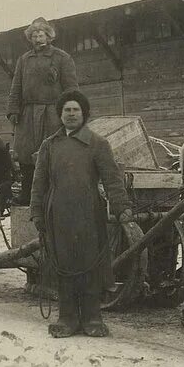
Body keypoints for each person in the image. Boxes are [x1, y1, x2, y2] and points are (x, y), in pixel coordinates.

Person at [30, 89, 132, 338]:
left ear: (84, 114)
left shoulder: (98, 144)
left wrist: (121, 208)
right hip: (58, 215)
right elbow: (39, 183)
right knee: (63, 265)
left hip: (89, 215)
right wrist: (37, 213)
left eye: (76, 110)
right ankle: (67, 319)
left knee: (89, 265)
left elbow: (112, 180)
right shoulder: (49, 146)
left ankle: (92, 318)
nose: (71, 114)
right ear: (60, 114)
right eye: (67, 110)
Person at [7, 17, 78, 205]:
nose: (38, 39)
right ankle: (27, 195)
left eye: (41, 35)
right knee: (25, 155)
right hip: (28, 114)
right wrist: (14, 109)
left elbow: (71, 90)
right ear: (30, 38)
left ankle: (57, 194)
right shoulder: (24, 60)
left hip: (53, 114)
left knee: (54, 153)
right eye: (34, 35)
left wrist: (70, 114)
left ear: (49, 36)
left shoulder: (62, 58)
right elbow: (16, 87)